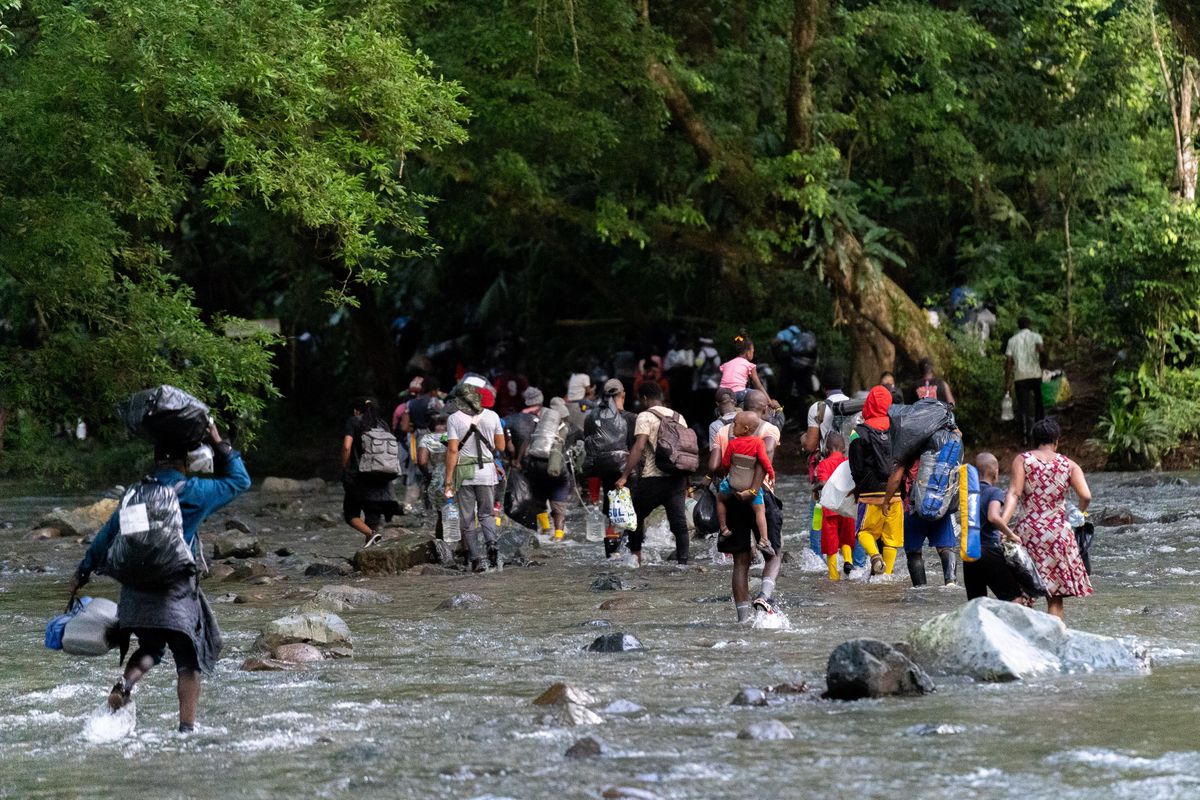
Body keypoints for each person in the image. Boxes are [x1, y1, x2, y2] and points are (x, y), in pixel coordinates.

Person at [67, 423, 250, 733]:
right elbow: (239, 481)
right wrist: (218, 441)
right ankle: (186, 730)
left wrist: (81, 573)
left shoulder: (134, 494)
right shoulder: (193, 491)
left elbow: (105, 538)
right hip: (175, 590)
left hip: (135, 589)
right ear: (185, 461)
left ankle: (124, 684)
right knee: (188, 661)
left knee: (150, 649)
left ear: (156, 461)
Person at [1001, 417, 1093, 620]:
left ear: (1035, 440)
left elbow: (1014, 494)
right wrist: (1078, 513)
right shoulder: (1069, 465)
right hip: (1058, 532)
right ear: (1057, 441)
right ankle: (1054, 640)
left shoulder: (1023, 460)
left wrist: (1003, 525)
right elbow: (1086, 496)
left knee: (1024, 591)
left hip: (1029, 532)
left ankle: (1023, 638)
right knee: (1056, 596)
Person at [710, 389, 784, 620]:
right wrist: (753, 488)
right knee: (773, 553)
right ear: (764, 409)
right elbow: (768, 453)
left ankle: (742, 618)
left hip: (731, 496)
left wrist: (730, 474)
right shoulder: (768, 428)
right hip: (760, 494)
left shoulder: (723, 431)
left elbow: (714, 465)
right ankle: (764, 595)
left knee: (740, 561)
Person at [616, 381, 691, 565]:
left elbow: (639, 447)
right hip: (676, 479)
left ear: (644, 398)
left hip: (653, 479)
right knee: (680, 525)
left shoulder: (645, 416)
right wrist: (687, 483)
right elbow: (686, 451)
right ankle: (683, 564)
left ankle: (636, 558)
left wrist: (625, 475)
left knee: (634, 518)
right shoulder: (678, 416)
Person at [443, 385, 507, 571]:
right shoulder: (493, 416)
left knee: (468, 518)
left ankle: (477, 559)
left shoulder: (454, 419)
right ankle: (492, 544)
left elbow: (453, 450)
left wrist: (448, 480)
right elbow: (500, 447)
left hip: (464, 474)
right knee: (486, 514)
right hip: (487, 471)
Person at [849, 385, 904, 577]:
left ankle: (874, 556)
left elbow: (855, 468)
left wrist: (858, 488)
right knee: (891, 539)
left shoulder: (858, 432)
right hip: (894, 493)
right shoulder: (896, 429)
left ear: (869, 403)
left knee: (863, 532)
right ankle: (886, 576)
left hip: (869, 493)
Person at [584, 378, 638, 558]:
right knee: (633, 513)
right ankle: (633, 555)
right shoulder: (631, 418)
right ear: (623, 394)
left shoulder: (593, 417)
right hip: (629, 472)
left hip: (607, 473)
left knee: (612, 513)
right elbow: (638, 448)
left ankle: (611, 555)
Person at [963, 452, 1023, 602]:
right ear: (995, 472)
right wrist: (1011, 534)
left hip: (970, 554)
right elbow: (993, 516)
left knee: (977, 604)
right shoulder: (994, 492)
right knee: (1015, 599)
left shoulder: (970, 495)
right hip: (989, 551)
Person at [715, 411, 776, 557]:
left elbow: (725, 463)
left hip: (733, 485)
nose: (732, 426)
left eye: (735, 423)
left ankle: (723, 528)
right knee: (759, 510)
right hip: (751, 486)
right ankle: (764, 539)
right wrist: (771, 474)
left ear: (745, 428)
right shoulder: (758, 443)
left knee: (720, 498)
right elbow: (764, 461)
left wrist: (728, 474)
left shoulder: (733, 444)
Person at [341, 398, 401, 547]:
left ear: (356, 410)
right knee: (372, 518)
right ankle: (372, 554)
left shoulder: (354, 421)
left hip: (359, 476)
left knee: (351, 514)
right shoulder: (383, 424)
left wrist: (344, 466)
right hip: (382, 476)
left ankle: (371, 534)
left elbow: (347, 446)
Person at [814, 432, 855, 581]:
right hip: (847, 507)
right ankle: (848, 561)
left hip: (830, 508)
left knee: (830, 544)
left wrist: (814, 488)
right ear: (843, 448)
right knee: (847, 539)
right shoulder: (848, 462)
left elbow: (823, 482)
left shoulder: (824, 464)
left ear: (827, 448)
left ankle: (834, 576)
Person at [1005, 317, 1046, 445]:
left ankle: (1024, 437)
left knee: (1023, 407)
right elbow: (1041, 350)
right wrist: (1044, 363)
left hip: (1020, 377)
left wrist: (1007, 382)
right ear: (1030, 325)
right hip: (1035, 374)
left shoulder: (1012, 341)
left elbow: (1009, 363)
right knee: (1039, 404)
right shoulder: (1036, 337)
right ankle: (1041, 434)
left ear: (1019, 326)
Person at [417, 413, 449, 527]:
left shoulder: (428, 438)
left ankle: (441, 542)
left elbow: (422, 462)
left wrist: (427, 475)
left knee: (440, 515)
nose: (440, 427)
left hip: (438, 478)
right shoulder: (455, 436)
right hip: (458, 478)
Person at [718, 332, 768, 403]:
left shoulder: (726, 364)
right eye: (753, 351)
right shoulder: (749, 365)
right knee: (758, 395)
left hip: (721, 393)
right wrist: (768, 400)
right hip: (738, 393)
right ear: (748, 353)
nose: (753, 354)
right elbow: (758, 385)